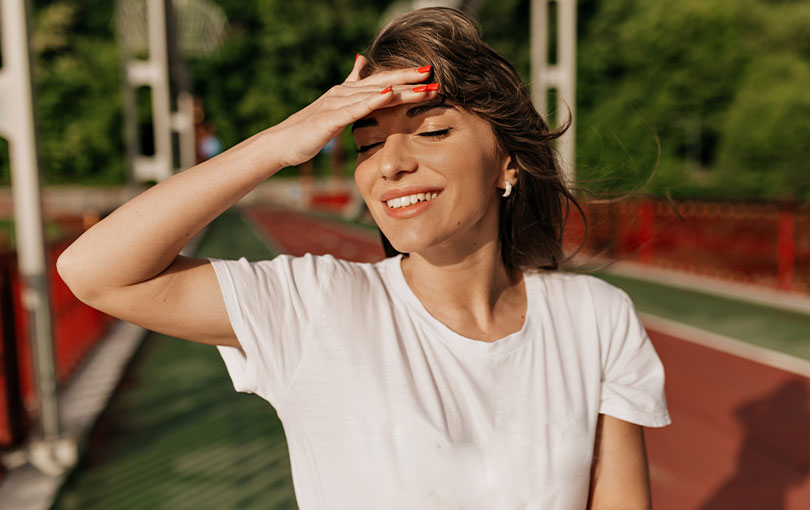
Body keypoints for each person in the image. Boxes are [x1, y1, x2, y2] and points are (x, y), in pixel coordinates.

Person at [56, 7, 670, 509]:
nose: (390, 163)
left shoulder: (596, 317)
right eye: (367, 142)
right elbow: (94, 272)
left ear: (508, 161)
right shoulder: (314, 305)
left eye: (431, 131)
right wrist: (281, 142)